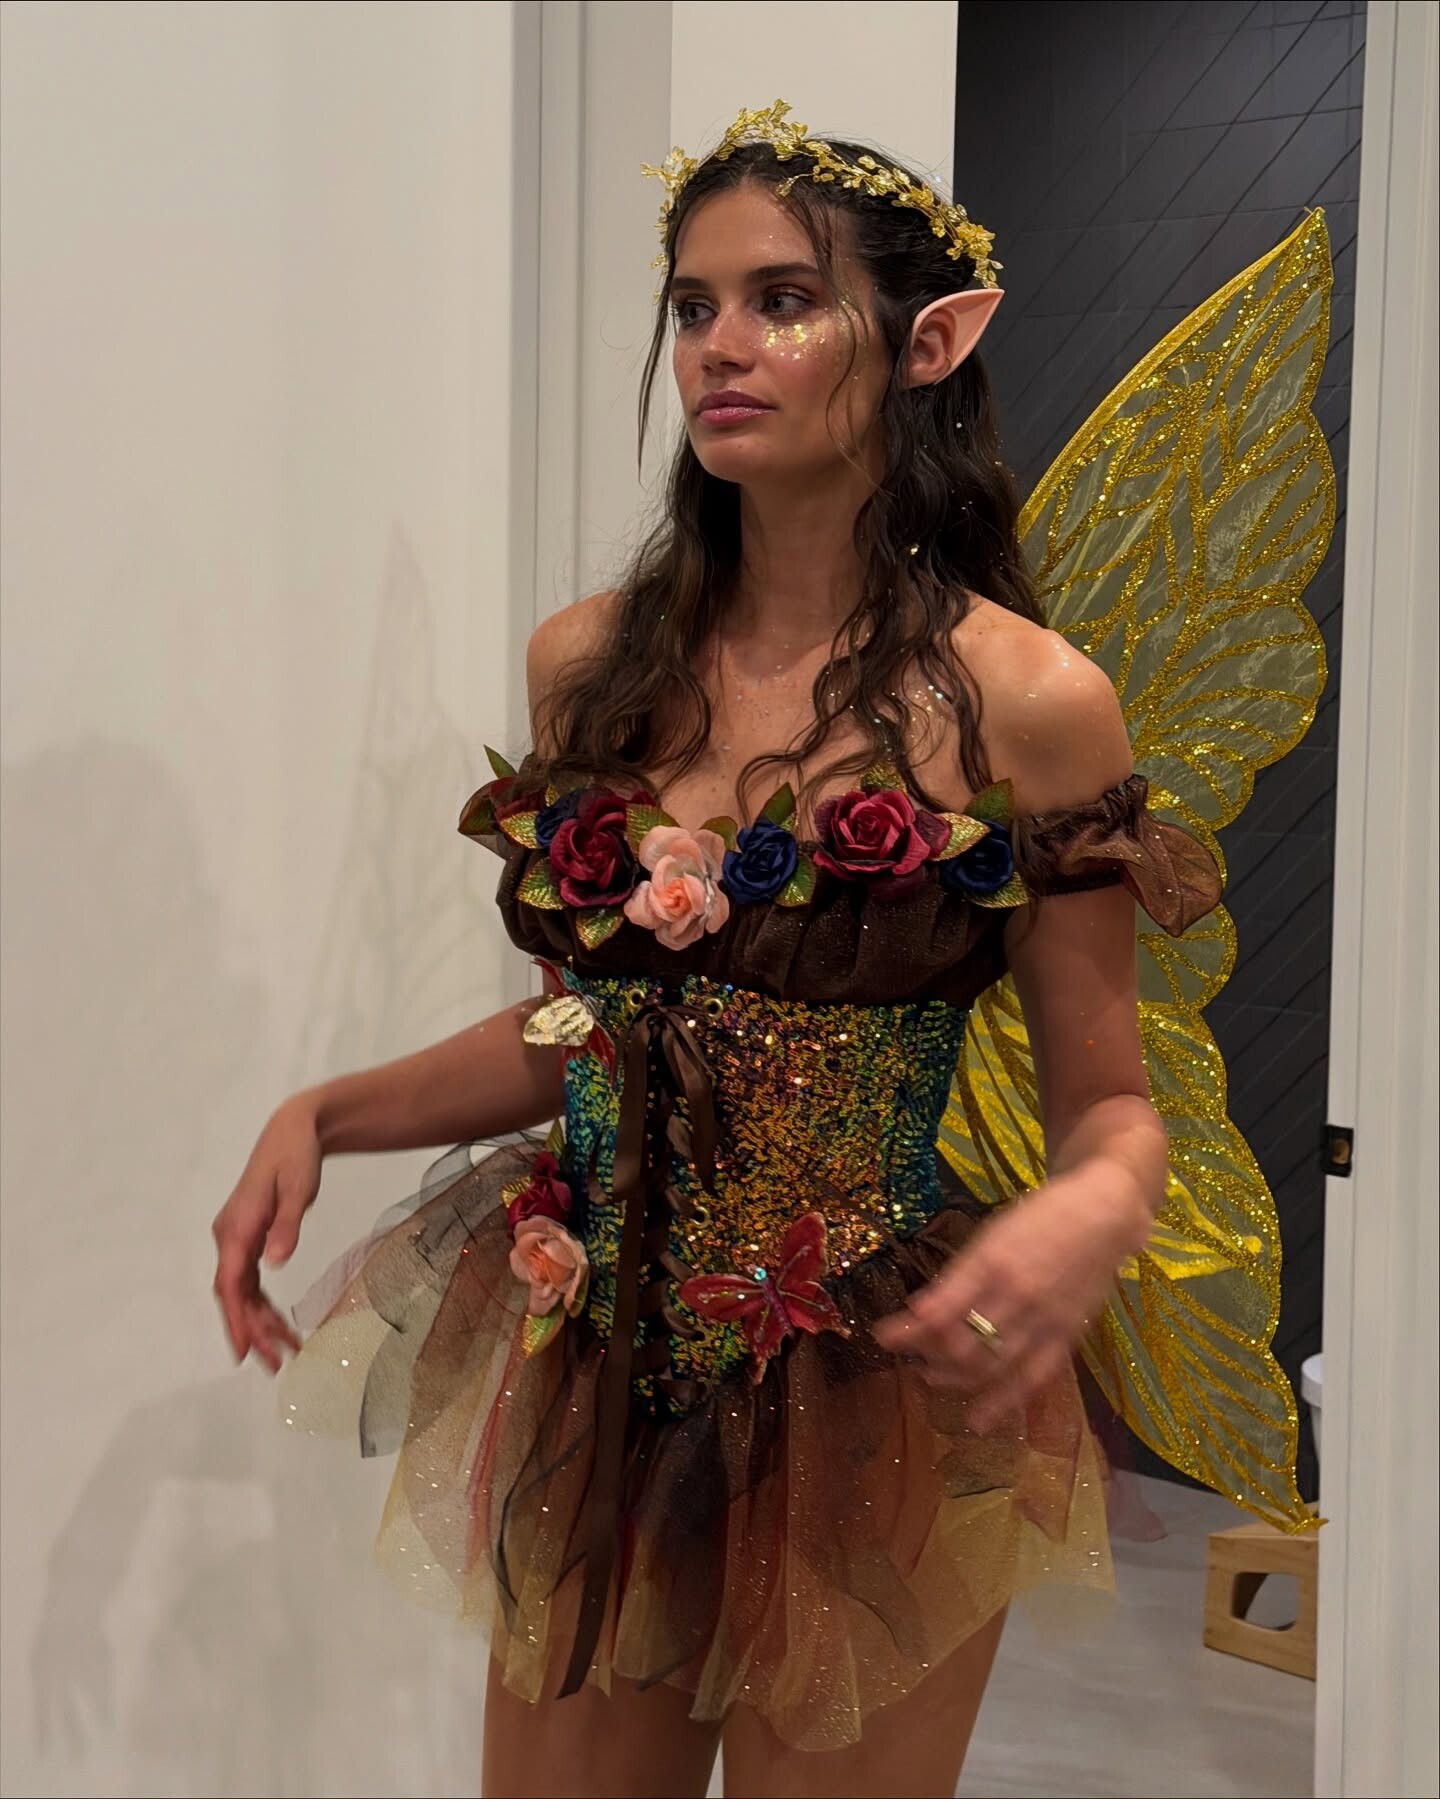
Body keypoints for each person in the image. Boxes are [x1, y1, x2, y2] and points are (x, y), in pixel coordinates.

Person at [211, 102, 1322, 1799]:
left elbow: (1112, 1109)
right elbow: (594, 1034)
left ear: (932, 340)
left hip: (876, 1390)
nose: (720, 347)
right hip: (601, 1368)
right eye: (693, 306)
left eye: (784, 301)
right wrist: (327, 1111)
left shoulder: (1030, 702)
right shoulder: (591, 667)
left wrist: (1093, 1213)